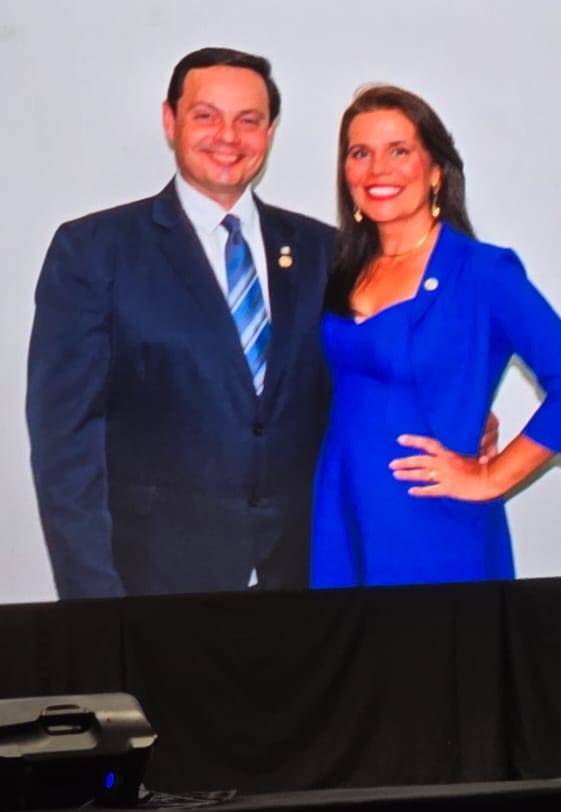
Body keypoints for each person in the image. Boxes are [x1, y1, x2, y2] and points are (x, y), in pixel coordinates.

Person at [27, 48, 336, 599]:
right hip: (151, 592)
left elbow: (356, 387)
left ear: (270, 131)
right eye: (206, 115)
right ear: (170, 121)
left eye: (249, 120)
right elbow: (64, 447)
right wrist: (95, 604)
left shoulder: (321, 251)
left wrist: (458, 418)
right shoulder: (95, 252)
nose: (228, 136)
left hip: (300, 585)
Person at [310, 86, 561, 588]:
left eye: (398, 151)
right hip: (342, 519)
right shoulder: (338, 266)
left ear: (435, 172)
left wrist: (491, 477)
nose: (377, 169)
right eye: (360, 153)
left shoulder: (483, 272)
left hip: (434, 528)